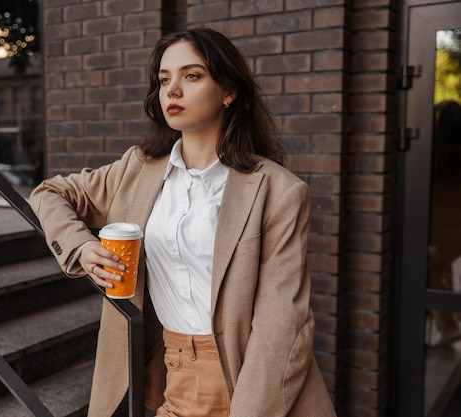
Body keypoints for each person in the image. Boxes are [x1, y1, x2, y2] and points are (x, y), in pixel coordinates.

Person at [30, 28, 337, 417]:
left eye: (191, 76)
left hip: (248, 383)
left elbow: (281, 326)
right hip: (165, 373)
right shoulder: (138, 168)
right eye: (164, 79)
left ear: (229, 91)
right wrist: (81, 246)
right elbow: (49, 193)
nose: (172, 90)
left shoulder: (279, 191)